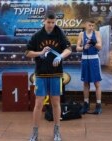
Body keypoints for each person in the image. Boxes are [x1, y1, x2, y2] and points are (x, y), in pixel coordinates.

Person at [25, 11, 71, 141]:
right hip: (41, 73)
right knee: (38, 103)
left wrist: (60, 56)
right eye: (49, 22)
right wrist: (40, 53)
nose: (51, 25)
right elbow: (27, 52)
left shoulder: (59, 33)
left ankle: (57, 131)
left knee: (56, 102)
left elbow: (69, 49)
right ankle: (34, 132)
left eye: (53, 22)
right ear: (44, 21)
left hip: (56, 73)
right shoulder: (37, 36)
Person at [76, 19, 102, 115]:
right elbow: (77, 48)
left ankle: (98, 105)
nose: (91, 27)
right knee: (86, 83)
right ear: (86, 25)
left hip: (94, 59)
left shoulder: (97, 33)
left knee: (97, 83)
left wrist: (94, 43)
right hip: (85, 60)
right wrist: (84, 47)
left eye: (93, 25)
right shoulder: (81, 34)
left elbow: (100, 47)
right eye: (90, 25)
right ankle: (86, 103)